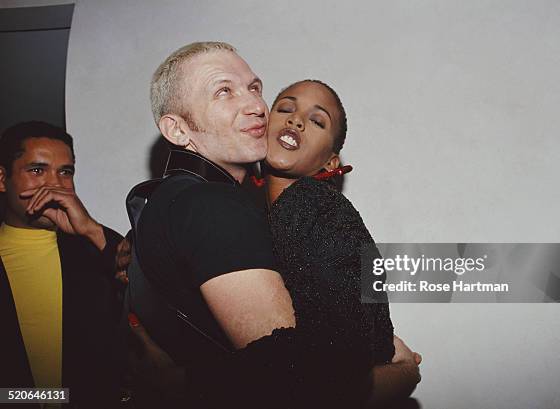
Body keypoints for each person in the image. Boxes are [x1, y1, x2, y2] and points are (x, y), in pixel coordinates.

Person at [127, 41, 420, 408]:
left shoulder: (166, 199)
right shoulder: (211, 204)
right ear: (178, 129)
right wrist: (402, 373)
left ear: (332, 160)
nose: (254, 105)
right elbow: (292, 384)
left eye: (254, 88)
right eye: (224, 91)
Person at [263, 79, 421, 407]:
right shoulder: (277, 214)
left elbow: (336, 369)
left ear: (331, 163)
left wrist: (401, 372)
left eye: (317, 121)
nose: (296, 120)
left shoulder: (308, 203)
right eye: (285, 108)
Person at [0, 121, 124, 408]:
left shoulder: (93, 246)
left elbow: (151, 287)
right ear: (3, 179)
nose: (55, 185)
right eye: (37, 170)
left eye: (65, 172)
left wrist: (91, 230)